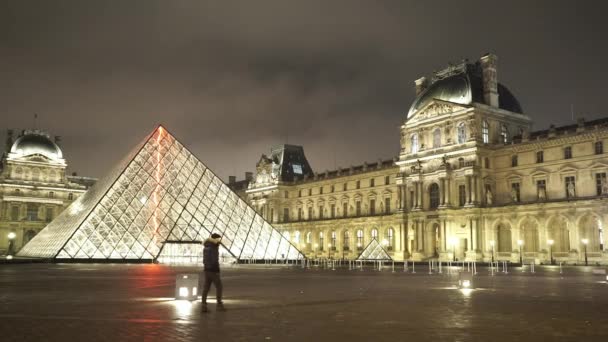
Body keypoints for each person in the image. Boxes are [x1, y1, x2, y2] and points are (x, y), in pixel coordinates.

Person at [201, 233, 224, 313]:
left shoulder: (206, 246)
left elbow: (204, 259)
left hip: (206, 270)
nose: (220, 241)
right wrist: (217, 270)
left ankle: (203, 306)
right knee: (219, 287)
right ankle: (219, 305)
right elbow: (214, 260)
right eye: (219, 239)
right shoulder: (213, 247)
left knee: (206, 288)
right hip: (213, 270)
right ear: (216, 239)